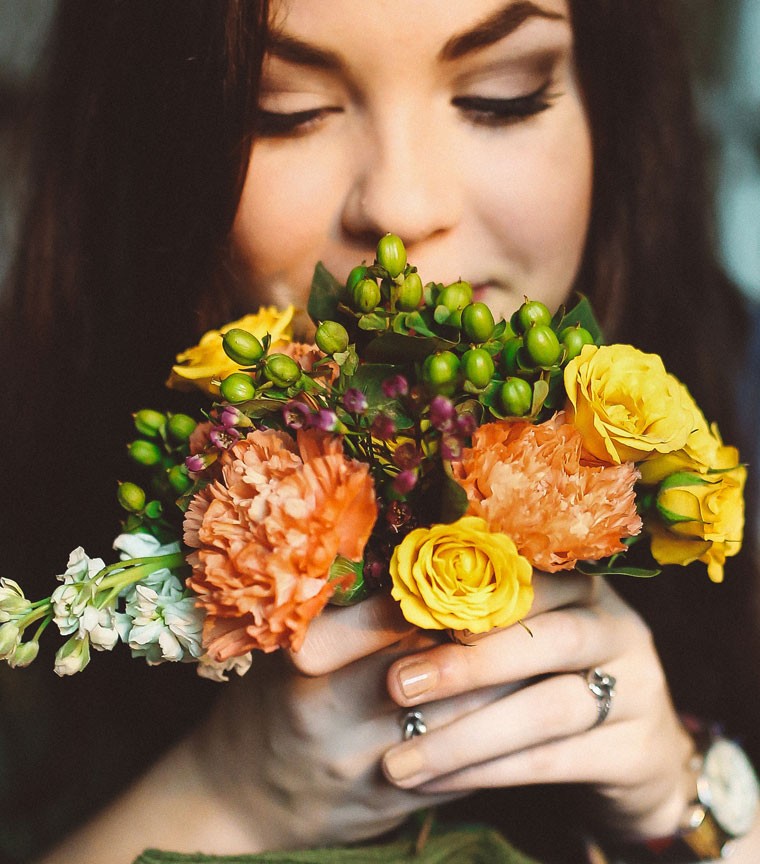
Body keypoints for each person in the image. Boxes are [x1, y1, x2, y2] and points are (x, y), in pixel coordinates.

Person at [0, 1, 757, 863]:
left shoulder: (734, 405)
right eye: (284, 112)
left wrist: (685, 796)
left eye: (501, 97)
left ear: (607, 102)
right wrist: (230, 795)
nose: (402, 207)